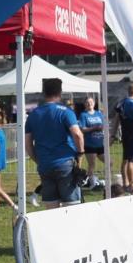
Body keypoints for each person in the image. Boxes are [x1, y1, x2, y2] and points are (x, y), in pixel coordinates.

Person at [25, 78, 86, 210]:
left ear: (43, 92)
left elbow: (28, 144)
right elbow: (77, 134)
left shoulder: (33, 114)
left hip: (45, 165)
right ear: (60, 92)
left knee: (51, 208)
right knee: (71, 208)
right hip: (65, 164)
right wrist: (80, 154)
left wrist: (38, 160)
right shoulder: (65, 111)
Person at [78, 96, 106, 188]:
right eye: (87, 102)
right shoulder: (83, 115)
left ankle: (103, 179)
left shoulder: (99, 113)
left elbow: (104, 125)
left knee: (109, 162)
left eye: (91, 102)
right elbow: (82, 129)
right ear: (84, 104)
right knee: (92, 164)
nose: (89, 104)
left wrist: (103, 128)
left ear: (94, 103)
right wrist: (94, 128)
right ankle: (92, 182)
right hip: (90, 144)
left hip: (100, 143)